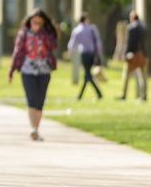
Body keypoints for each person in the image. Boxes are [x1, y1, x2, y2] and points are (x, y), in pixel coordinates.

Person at [8, 9, 59, 141]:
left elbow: (54, 46)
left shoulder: (47, 34)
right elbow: (17, 52)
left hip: (44, 71)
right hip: (27, 71)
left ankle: (36, 128)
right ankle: (33, 129)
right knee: (31, 100)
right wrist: (11, 70)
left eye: (39, 22)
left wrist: (46, 32)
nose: (36, 24)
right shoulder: (23, 34)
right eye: (34, 21)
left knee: (40, 102)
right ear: (30, 21)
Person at [67, 13, 104, 100]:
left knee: (87, 75)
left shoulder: (77, 30)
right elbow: (98, 42)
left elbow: (72, 43)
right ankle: (97, 94)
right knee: (87, 75)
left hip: (84, 54)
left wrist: (70, 52)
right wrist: (99, 52)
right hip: (91, 54)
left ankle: (82, 95)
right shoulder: (92, 29)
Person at [119, 10, 147, 101]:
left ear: (132, 18)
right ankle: (144, 96)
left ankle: (123, 95)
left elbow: (129, 43)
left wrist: (125, 54)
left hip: (133, 55)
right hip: (142, 54)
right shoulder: (144, 28)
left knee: (126, 76)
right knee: (142, 77)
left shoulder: (131, 28)